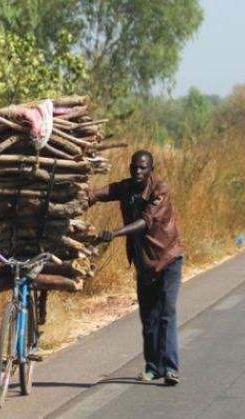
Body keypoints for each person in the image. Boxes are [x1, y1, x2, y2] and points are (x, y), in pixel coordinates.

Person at [88, 150, 183, 386]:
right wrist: (83, 195)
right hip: (144, 263)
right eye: (134, 167)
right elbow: (103, 192)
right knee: (148, 318)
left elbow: (145, 221)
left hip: (167, 258)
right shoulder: (127, 187)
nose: (138, 172)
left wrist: (115, 233)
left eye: (143, 168)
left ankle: (170, 368)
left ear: (151, 168)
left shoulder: (160, 189)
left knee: (166, 314)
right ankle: (153, 368)